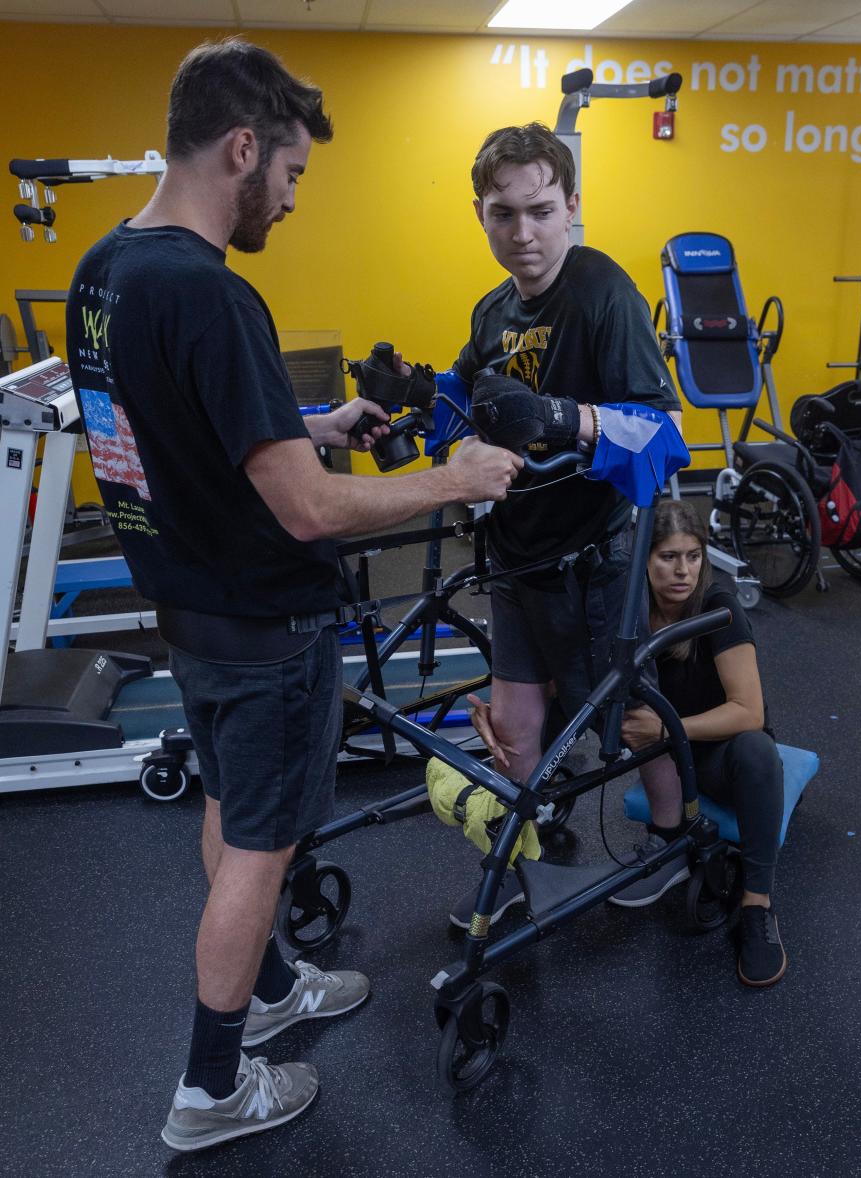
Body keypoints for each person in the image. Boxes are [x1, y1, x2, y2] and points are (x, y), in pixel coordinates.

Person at [65, 38, 522, 1153]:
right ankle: (211, 1087)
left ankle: (270, 987)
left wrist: (303, 428)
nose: (293, 196)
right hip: (268, 624)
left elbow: (168, 434)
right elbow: (311, 514)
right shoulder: (212, 294)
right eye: (293, 174)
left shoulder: (104, 269)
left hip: (190, 609)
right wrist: (453, 481)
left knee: (234, 816)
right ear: (241, 147)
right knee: (262, 847)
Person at [442, 122, 682, 929]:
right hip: (515, 550)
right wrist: (413, 390)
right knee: (513, 723)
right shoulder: (493, 307)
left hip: (594, 558)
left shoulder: (603, 295)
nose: (523, 234)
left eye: (541, 211)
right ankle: (531, 842)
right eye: (502, 215)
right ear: (480, 215)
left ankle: (672, 841)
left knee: (630, 717)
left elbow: (662, 435)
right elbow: (468, 391)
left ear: (572, 206)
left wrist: (565, 417)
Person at [615, 499, 787, 988]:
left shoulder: (718, 607)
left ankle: (757, 907)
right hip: (667, 759)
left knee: (757, 749)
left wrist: (667, 730)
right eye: (668, 557)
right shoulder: (630, 610)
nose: (682, 570)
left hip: (721, 756)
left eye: (693, 556)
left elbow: (748, 711)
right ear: (644, 559)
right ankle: (667, 843)